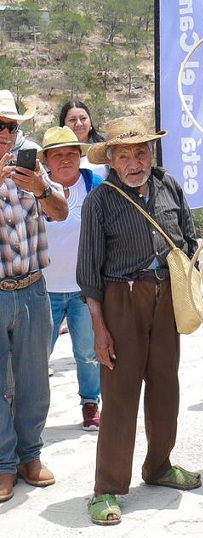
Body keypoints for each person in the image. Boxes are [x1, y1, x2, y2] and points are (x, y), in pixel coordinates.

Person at [77, 116, 201, 526]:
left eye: (141, 151)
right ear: (111, 161)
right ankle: (107, 487)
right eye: (124, 155)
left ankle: (159, 466)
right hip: (121, 300)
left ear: (152, 152)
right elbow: (89, 273)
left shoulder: (168, 186)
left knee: (166, 386)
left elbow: (188, 240)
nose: (135, 162)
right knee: (121, 396)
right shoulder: (100, 201)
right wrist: (99, 328)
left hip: (166, 297)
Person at [0, 91, 68, 504]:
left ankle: (30, 456)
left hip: (32, 288)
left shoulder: (33, 166)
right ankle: (4, 462)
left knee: (33, 379)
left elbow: (60, 212)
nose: (8, 133)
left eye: (12, 125)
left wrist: (43, 189)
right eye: (0, 125)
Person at [40, 126, 103, 431]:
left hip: (84, 289)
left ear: (80, 157)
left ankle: (90, 404)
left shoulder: (96, 187)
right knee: (38, 357)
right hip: (43, 290)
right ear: (46, 161)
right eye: (57, 155)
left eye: (70, 153)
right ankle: (32, 412)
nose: (65, 160)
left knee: (88, 353)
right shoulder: (33, 189)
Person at [59, 99, 108, 180]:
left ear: (90, 122)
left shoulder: (105, 146)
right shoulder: (55, 151)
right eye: (72, 120)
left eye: (83, 118)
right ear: (63, 125)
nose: (79, 124)